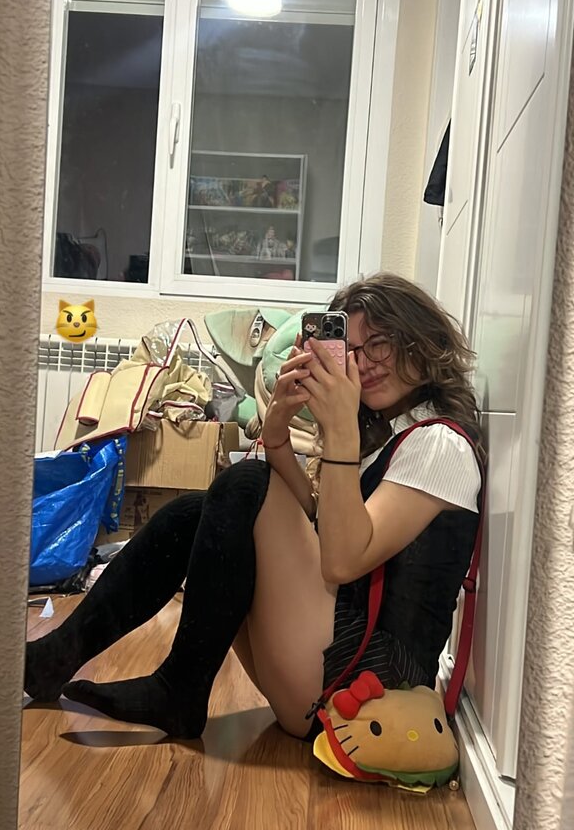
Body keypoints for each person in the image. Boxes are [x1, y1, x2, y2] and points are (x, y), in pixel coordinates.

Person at [25, 273, 483, 742]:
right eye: (352, 351)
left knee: (246, 484)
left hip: (371, 696)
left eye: (380, 344)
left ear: (421, 340)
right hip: (336, 666)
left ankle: (179, 690)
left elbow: (342, 561)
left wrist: (341, 430)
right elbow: (320, 522)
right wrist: (278, 429)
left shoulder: (441, 445)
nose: (364, 364)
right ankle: (57, 657)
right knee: (196, 513)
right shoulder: (395, 437)